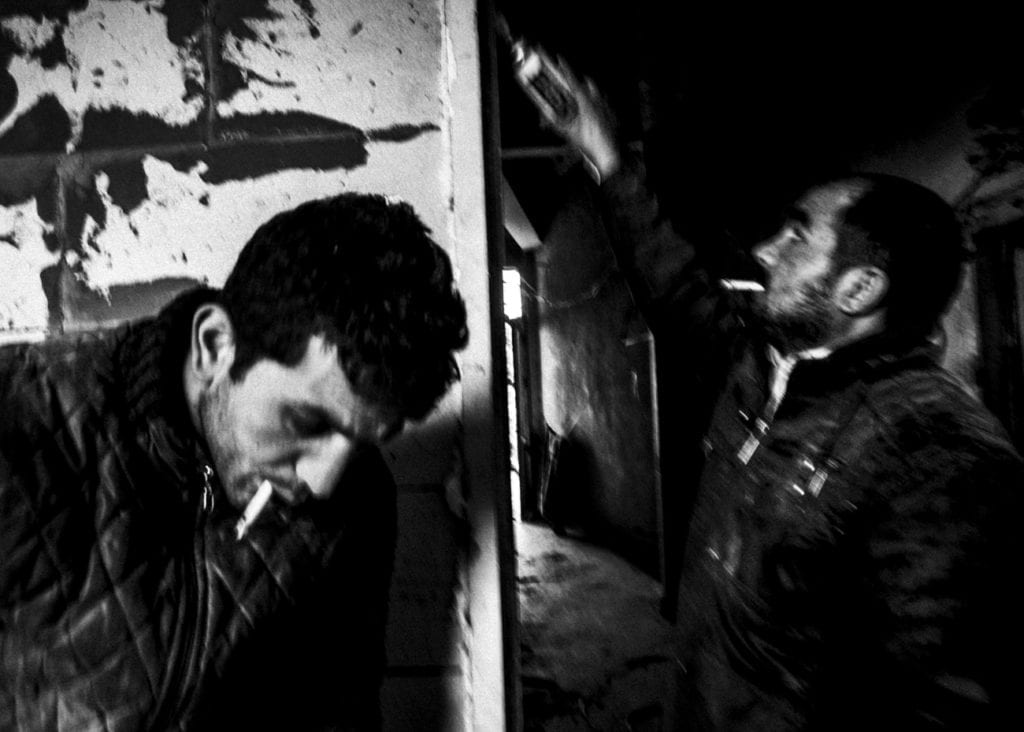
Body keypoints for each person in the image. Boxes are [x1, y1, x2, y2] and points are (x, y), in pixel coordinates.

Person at [537, 69, 1024, 729]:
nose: (766, 250)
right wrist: (607, 157)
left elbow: (943, 706)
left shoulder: (936, 455)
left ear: (858, 290)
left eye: (797, 235)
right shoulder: (764, 369)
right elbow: (673, 288)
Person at [0, 192, 468, 730]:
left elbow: (344, 714)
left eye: (360, 443)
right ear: (215, 346)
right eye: (307, 423)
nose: (323, 481)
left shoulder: (360, 498)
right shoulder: (22, 425)